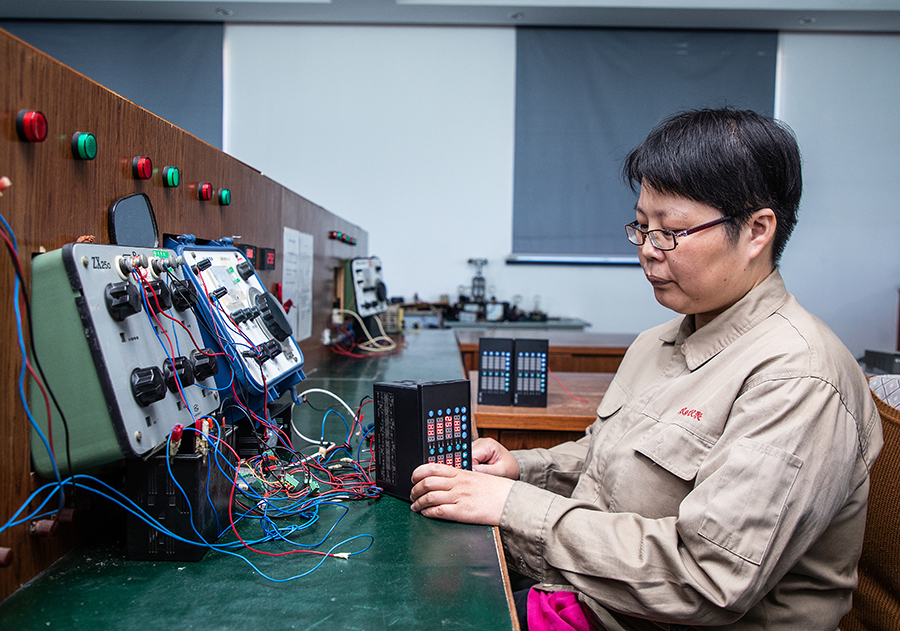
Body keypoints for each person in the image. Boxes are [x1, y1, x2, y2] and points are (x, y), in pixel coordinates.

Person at [410, 108, 883, 630]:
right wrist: (521, 471)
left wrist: (513, 506)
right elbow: (610, 460)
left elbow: (707, 580)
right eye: (642, 227)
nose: (649, 251)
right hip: (590, 598)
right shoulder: (656, 342)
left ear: (756, 231)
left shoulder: (797, 379)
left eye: (672, 231)